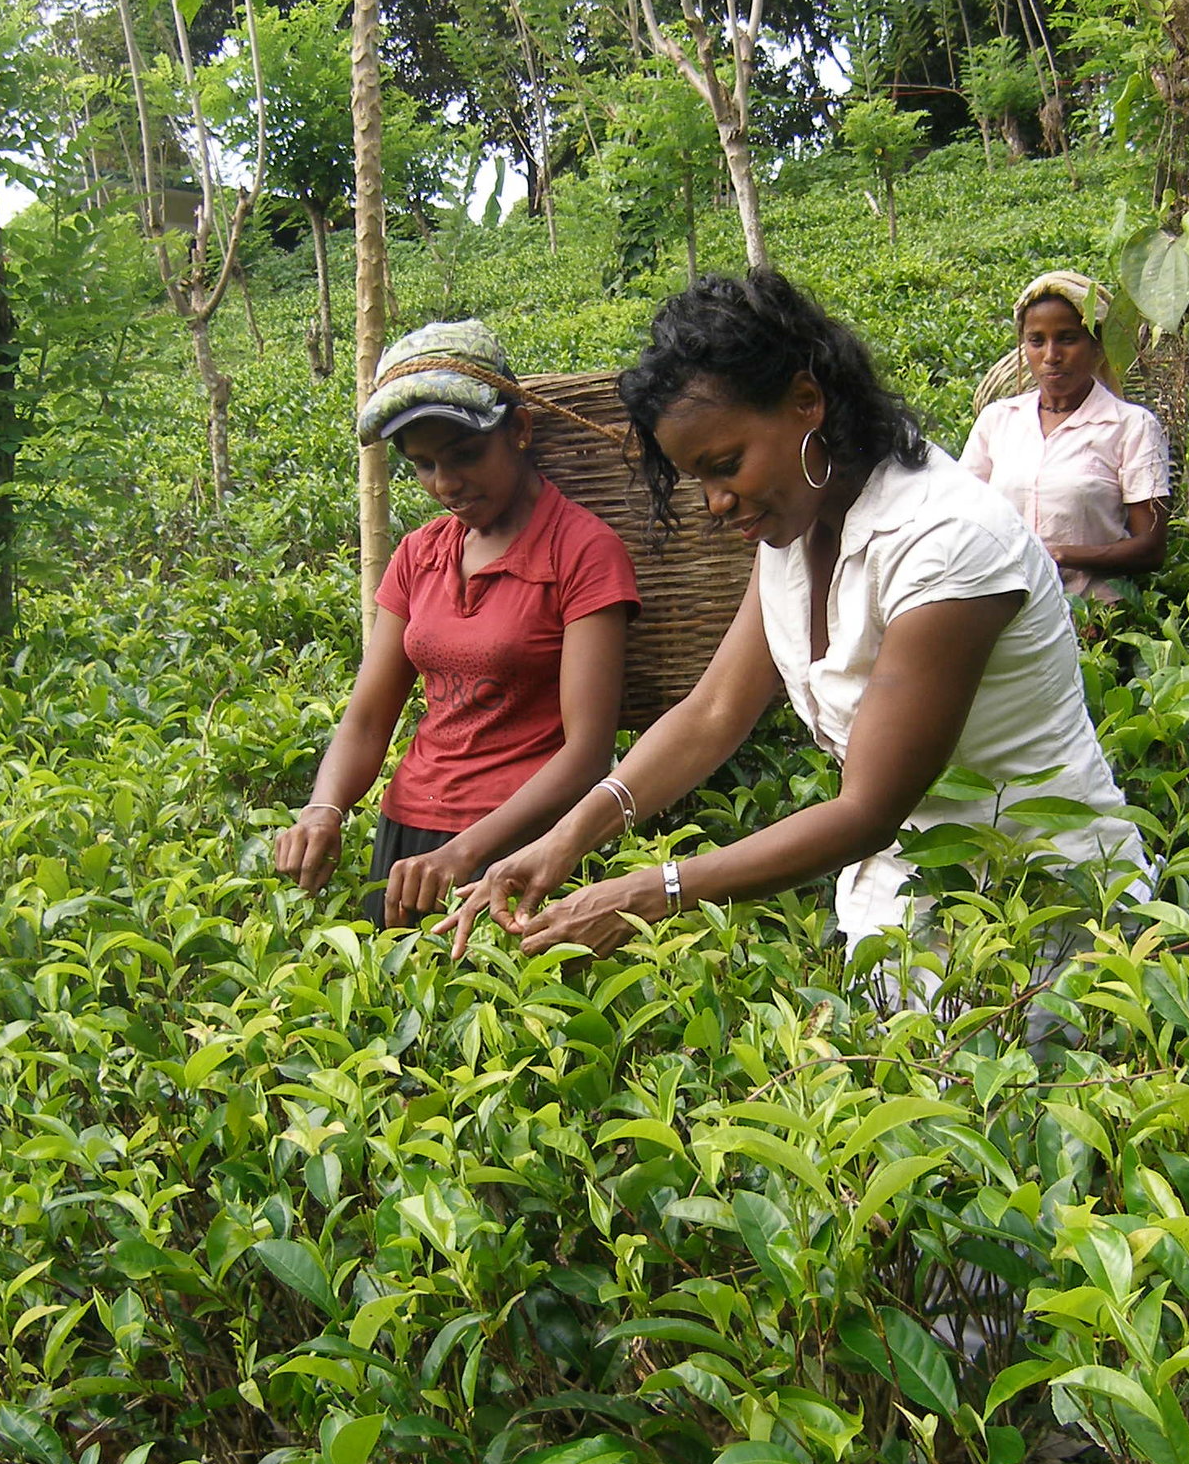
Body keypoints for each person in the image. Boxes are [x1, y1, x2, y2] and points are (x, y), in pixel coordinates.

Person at [437, 270, 1145, 968]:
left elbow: (867, 807)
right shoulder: (795, 527)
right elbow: (713, 712)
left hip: (1048, 918)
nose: (716, 501)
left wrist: (652, 892)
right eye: (700, 479)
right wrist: (563, 840)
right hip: (904, 910)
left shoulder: (946, 541)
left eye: (726, 464)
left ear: (807, 400)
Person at [274, 320, 641, 926]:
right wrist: (324, 808)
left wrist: (466, 852)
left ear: (518, 431)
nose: (446, 484)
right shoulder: (419, 553)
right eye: (423, 464)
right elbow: (369, 716)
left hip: (520, 842)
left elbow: (587, 752)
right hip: (408, 837)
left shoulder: (582, 551)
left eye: (466, 456)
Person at [959, 272, 1171, 601]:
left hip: (1095, 617)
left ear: (1097, 343)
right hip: (1003, 611)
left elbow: (1151, 548)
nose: (1051, 355)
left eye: (1068, 338)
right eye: (1036, 340)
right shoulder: (998, 420)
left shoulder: (1132, 426)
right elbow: (962, 515)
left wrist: (1059, 554)